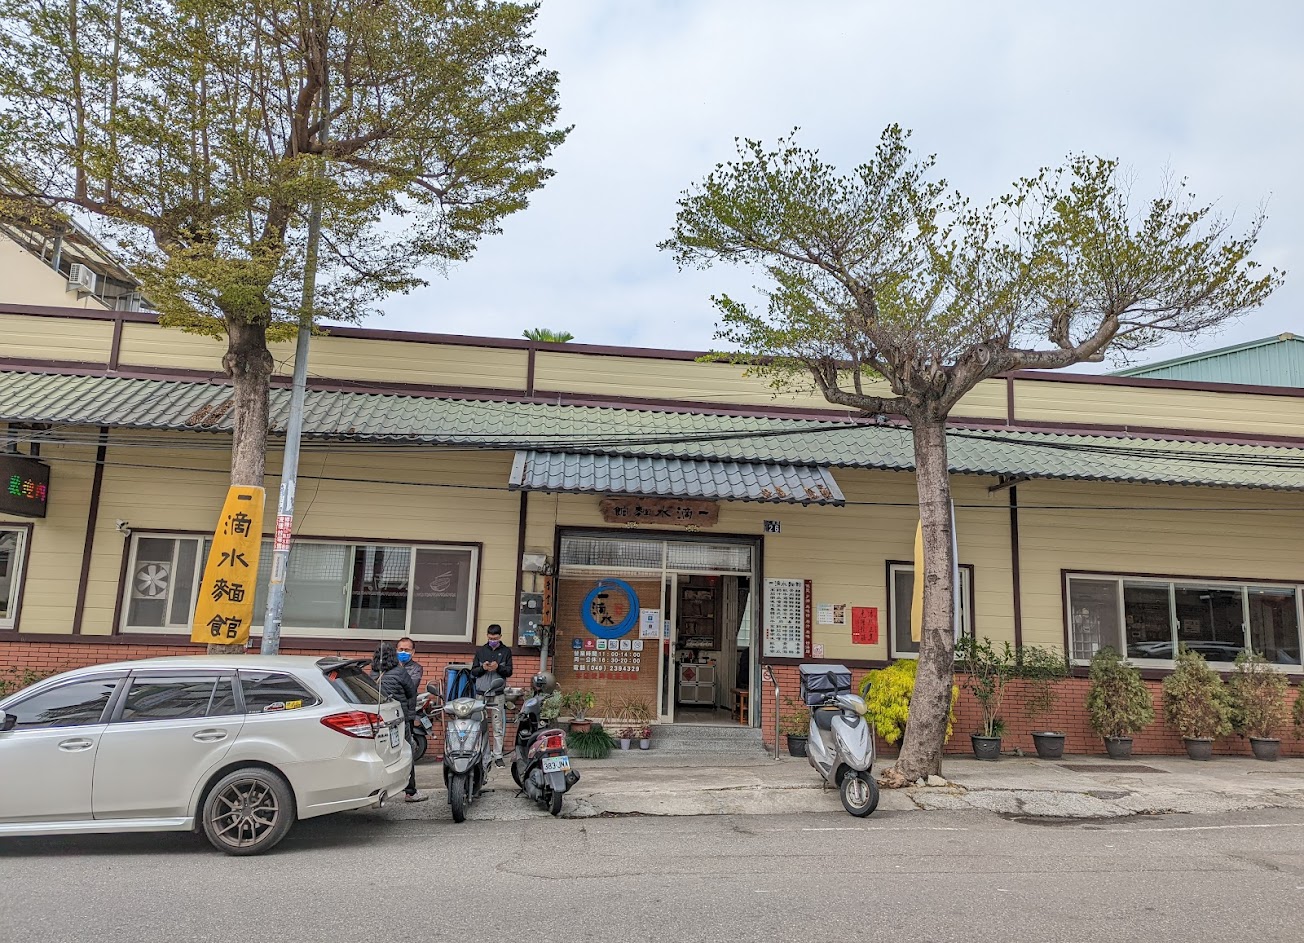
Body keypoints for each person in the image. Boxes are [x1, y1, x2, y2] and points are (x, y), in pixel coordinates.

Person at [372, 641, 426, 803]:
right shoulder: (400, 672)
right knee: (406, 753)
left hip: (379, 721)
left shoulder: (372, 674)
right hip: (399, 720)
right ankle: (410, 792)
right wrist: (410, 716)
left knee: (380, 755)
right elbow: (411, 692)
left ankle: (377, 792)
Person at [471, 623, 513, 766]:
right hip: (481, 693)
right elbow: (473, 671)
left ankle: (498, 756)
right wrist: (482, 668)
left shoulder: (506, 651)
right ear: (487, 636)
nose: (492, 640)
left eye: (495, 638)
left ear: (500, 636)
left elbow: (509, 671)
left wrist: (498, 667)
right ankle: (482, 754)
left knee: (497, 725)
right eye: (490, 638)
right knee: (480, 725)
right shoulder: (481, 651)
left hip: (497, 693)